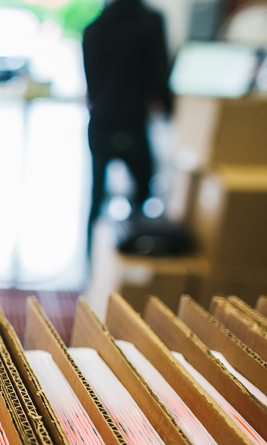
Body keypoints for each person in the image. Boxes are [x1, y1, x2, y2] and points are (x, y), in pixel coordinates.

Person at [82, 0, 172, 255]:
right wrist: (167, 108)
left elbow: (92, 82)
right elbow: (158, 72)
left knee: (95, 196)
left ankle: (93, 264)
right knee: (142, 196)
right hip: (132, 122)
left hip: (99, 122)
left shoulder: (93, 28)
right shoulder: (149, 22)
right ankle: (129, 261)